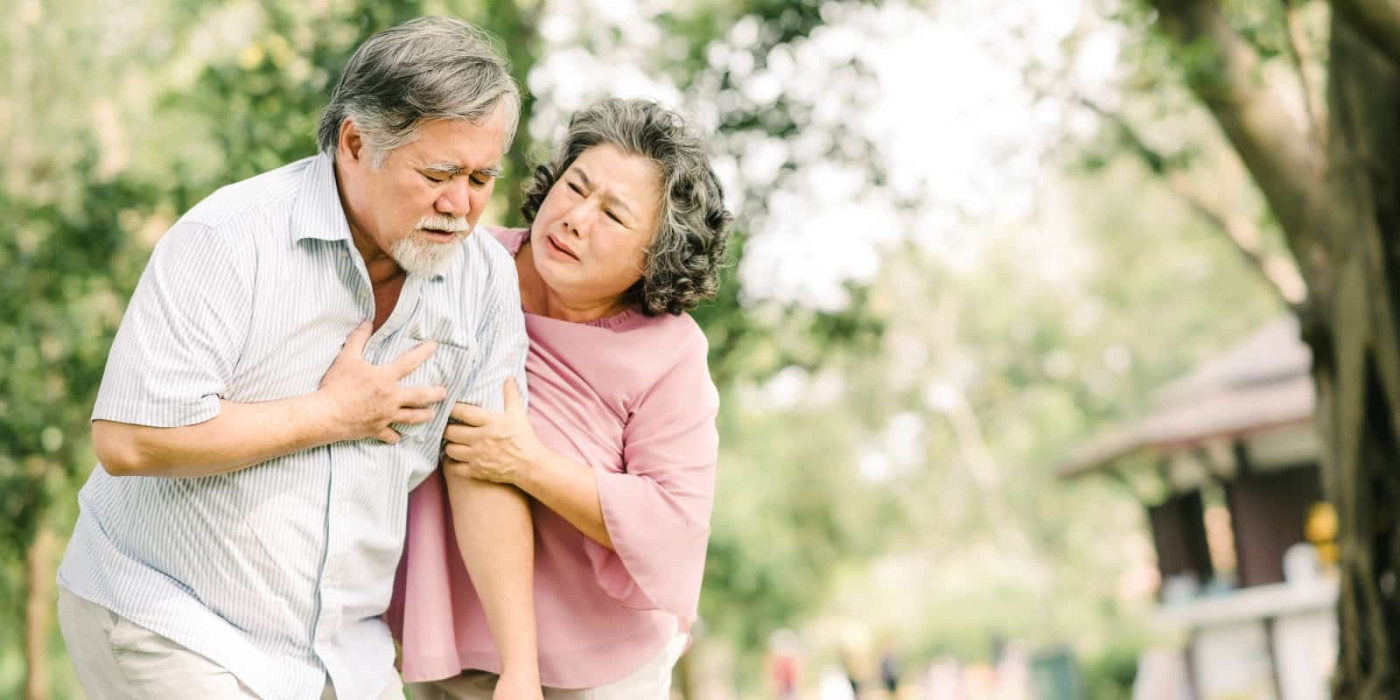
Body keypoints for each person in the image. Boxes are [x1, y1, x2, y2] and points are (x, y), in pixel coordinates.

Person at [55, 17, 528, 700]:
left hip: (345, 653)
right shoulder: (228, 237)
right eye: (438, 173)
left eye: (482, 176)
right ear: (355, 142)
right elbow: (128, 438)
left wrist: (521, 665)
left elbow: (484, 469)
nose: (461, 204)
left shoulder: (486, 279)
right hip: (172, 619)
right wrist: (329, 413)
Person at [387, 97, 732, 699]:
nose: (576, 218)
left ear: (654, 260)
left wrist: (527, 463)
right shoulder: (463, 266)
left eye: (614, 216)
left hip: (598, 666)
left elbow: (674, 525)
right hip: (443, 641)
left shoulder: (671, 355)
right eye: (575, 187)